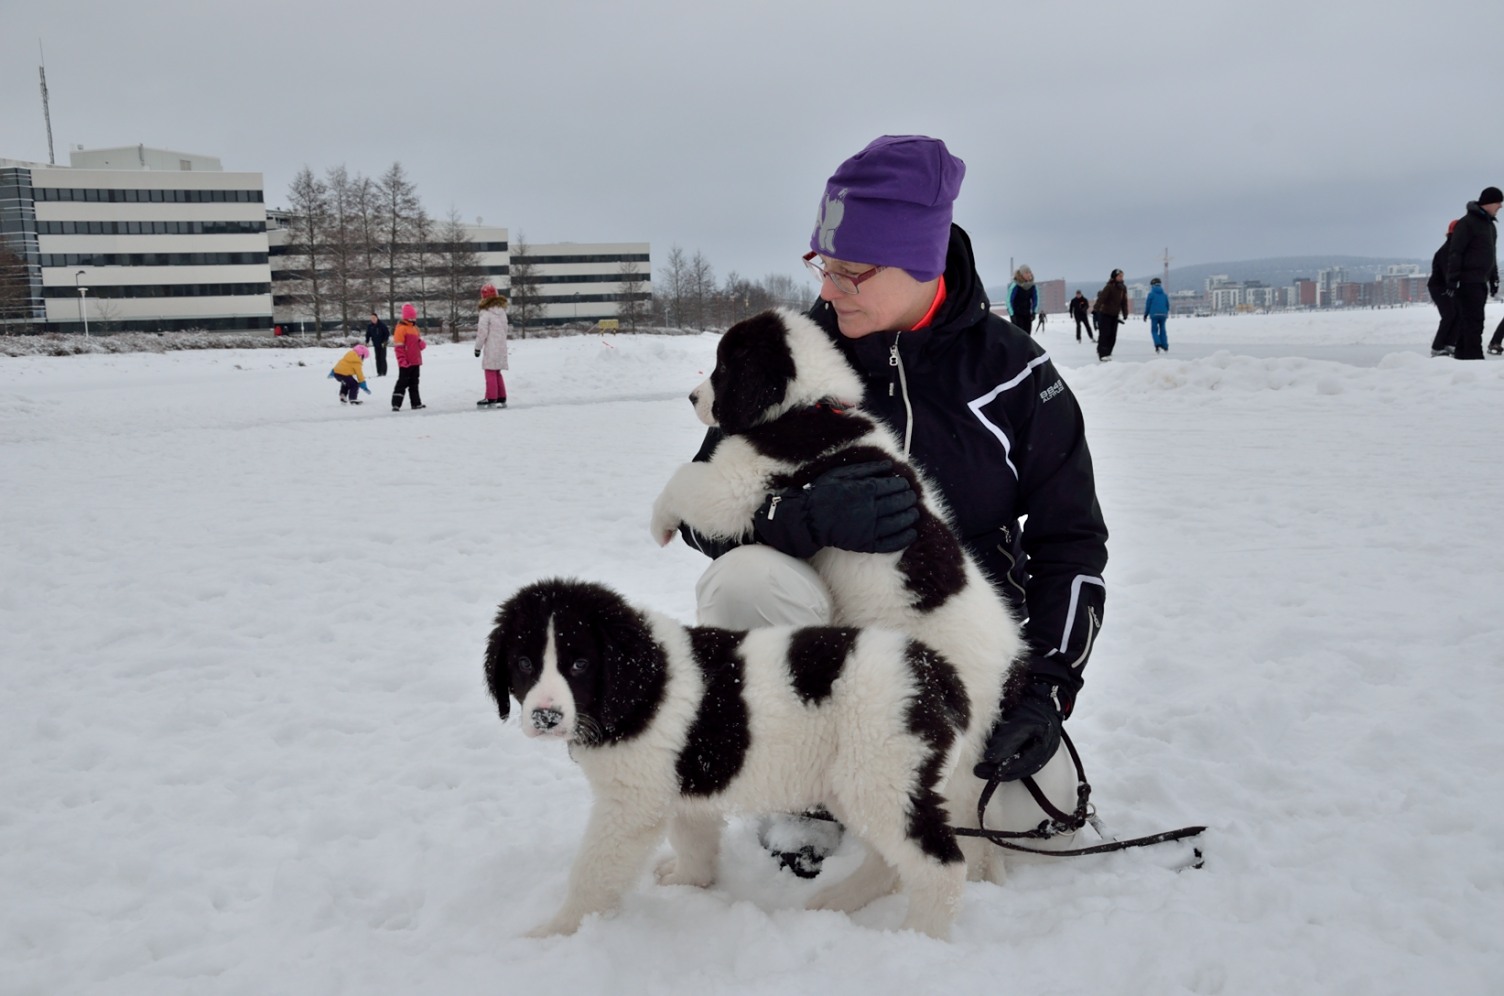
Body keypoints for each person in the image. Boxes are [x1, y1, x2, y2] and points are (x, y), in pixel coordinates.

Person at [677, 135, 1108, 876]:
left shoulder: (1013, 376)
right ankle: (806, 789)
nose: (830, 287)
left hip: (961, 648)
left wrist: (1046, 690)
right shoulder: (794, 355)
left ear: (922, 259)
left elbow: (1072, 545)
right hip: (829, 642)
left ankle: (905, 774)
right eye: (824, 264)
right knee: (744, 579)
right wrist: (796, 519)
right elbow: (698, 508)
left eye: (853, 271)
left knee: (1041, 821)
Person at [1445, 186, 1501, 361]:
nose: (1501, 206)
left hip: (1480, 281)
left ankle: (1462, 358)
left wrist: (1493, 279)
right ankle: (1474, 359)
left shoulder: (1490, 226)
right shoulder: (1467, 223)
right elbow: (1456, 252)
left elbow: (1490, 256)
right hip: (1467, 281)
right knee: (1473, 322)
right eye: (1498, 202)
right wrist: (1453, 279)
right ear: (1489, 203)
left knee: (1469, 322)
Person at [475, 284, 511, 407]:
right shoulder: (502, 312)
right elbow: (505, 329)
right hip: (501, 346)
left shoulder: (485, 312)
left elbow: (482, 332)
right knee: (497, 372)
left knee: (490, 371)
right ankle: (501, 396)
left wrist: (477, 348)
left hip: (491, 346)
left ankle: (491, 398)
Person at [1428, 220, 1460, 357]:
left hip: (1447, 286)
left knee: (1457, 314)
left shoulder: (1455, 248)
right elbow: (1448, 270)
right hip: (1439, 287)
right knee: (1449, 315)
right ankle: (1437, 346)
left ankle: (1449, 344)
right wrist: (1452, 284)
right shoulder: (1447, 250)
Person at [391, 303, 427, 411]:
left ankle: (416, 403)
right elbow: (399, 347)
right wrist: (401, 360)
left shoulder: (415, 328)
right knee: (402, 383)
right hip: (406, 362)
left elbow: (417, 344)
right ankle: (396, 403)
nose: (412, 319)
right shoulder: (401, 329)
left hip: (415, 361)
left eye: (413, 317)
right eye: (410, 317)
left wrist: (421, 343)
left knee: (414, 383)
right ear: (405, 317)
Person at [1093, 269, 1129, 361]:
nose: (1121, 278)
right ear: (1114, 277)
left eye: (1122, 276)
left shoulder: (1123, 288)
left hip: (1115, 315)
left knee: (1113, 336)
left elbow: (1124, 302)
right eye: (1119, 276)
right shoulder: (1109, 287)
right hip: (1105, 314)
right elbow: (1101, 298)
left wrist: (1125, 313)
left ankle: (1108, 352)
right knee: (1105, 334)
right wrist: (1096, 309)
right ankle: (1102, 354)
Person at [1006, 265, 1039, 333]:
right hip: (1016, 315)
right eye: (1026, 273)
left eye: (1029, 272)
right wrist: (1012, 315)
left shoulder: (1032, 286)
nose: (1029, 274)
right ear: (1021, 275)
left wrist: (1034, 312)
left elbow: (1035, 300)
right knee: (1018, 336)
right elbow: (1009, 300)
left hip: (1027, 314)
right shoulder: (1015, 285)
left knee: (1027, 336)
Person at [1143, 277, 1170, 353]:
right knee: (1163, 330)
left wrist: (1146, 314)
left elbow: (1148, 305)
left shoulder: (1151, 294)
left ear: (1152, 285)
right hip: (1163, 314)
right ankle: (1165, 346)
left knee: (1154, 330)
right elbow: (1167, 305)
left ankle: (1157, 344)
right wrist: (1166, 312)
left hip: (1154, 314)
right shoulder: (1164, 295)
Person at [365, 311, 391, 377]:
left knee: (383, 358)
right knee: (377, 358)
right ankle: (379, 372)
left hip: (383, 343)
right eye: (371, 318)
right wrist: (367, 341)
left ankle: (383, 372)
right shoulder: (370, 326)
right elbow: (368, 334)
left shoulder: (382, 325)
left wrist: (385, 341)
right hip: (376, 344)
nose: (373, 319)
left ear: (377, 318)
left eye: (374, 318)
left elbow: (387, 334)